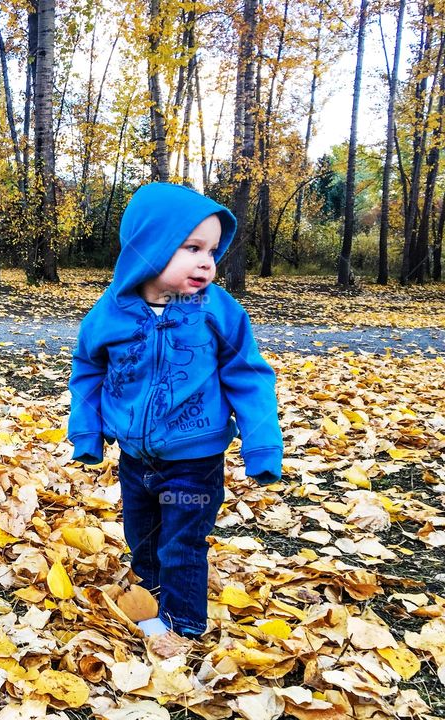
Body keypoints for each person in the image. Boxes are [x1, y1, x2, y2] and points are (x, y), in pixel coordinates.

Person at [68, 182, 283, 639]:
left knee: (181, 543)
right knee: (142, 538)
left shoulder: (217, 311)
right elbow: (88, 370)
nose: (207, 261)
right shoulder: (109, 314)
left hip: (194, 461)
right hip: (135, 459)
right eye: (192, 247)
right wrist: (86, 433)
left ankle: (184, 626)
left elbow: (248, 373)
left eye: (211, 250)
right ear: (151, 246)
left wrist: (262, 445)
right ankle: (151, 604)